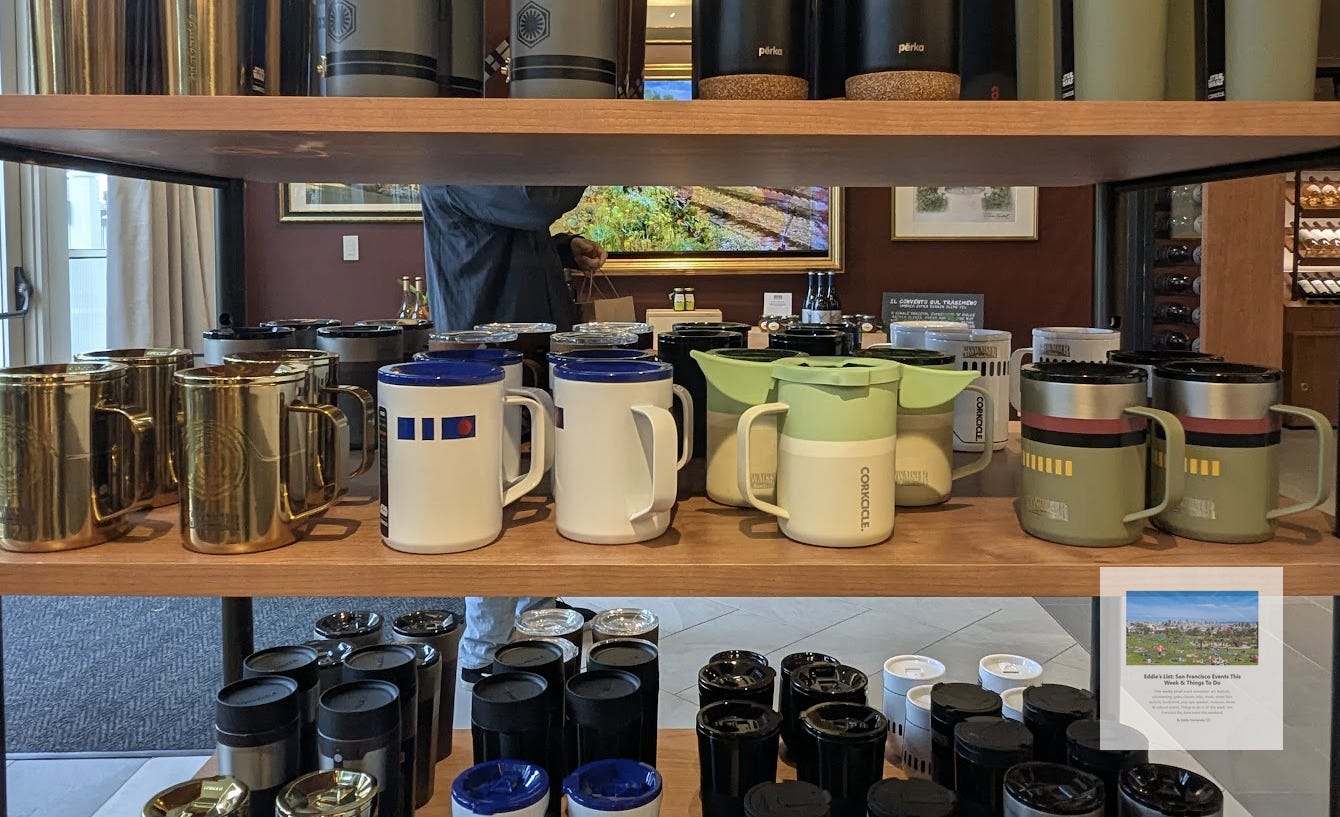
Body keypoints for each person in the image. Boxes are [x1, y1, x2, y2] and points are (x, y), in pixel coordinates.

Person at [420, 185, 608, 682]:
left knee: (535, 483)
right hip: (484, 358)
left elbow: (514, 227)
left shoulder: (490, 166)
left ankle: (537, 614)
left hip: (522, 352)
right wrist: (589, 153)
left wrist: (562, 247)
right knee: (493, 493)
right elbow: (532, 204)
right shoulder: (456, 162)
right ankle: (485, 647)